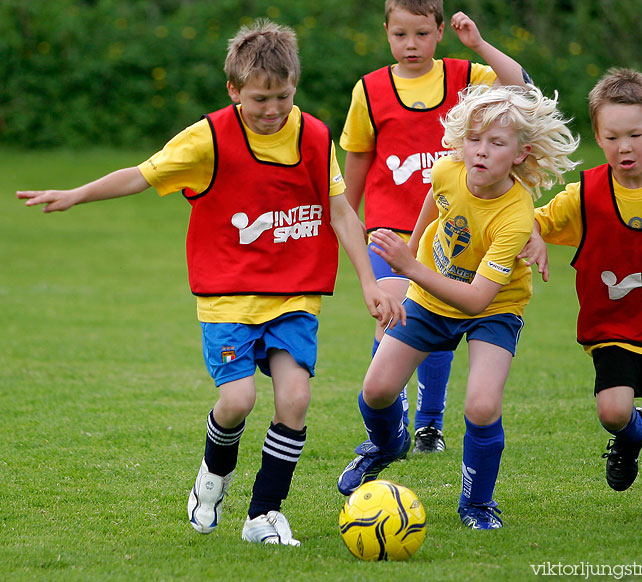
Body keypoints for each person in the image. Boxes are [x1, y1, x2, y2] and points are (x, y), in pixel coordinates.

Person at [17, 19, 404, 545]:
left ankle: (263, 515)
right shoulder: (209, 139)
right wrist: (77, 193)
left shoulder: (314, 136)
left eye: (283, 97)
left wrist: (369, 283)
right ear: (234, 91)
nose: (272, 110)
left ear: (296, 87)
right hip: (227, 299)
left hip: (294, 294)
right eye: (260, 99)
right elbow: (142, 173)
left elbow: (340, 213)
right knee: (238, 401)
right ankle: (212, 478)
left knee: (294, 400)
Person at [337, 83, 580, 530]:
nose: (480, 152)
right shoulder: (448, 168)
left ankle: (477, 505)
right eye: (473, 139)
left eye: (496, 143)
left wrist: (410, 266)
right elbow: (435, 200)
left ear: (521, 153)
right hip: (430, 297)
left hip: (494, 307)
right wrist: (411, 255)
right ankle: (387, 445)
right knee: (375, 392)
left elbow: (477, 298)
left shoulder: (516, 215)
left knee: (482, 406)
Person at [341, 0, 533, 454]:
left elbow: (524, 91)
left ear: (441, 30)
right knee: (394, 313)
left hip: (456, 226)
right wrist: (345, 223)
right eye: (401, 34)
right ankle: (393, 422)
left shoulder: (466, 77)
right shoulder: (369, 90)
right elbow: (357, 163)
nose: (411, 44)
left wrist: (480, 45)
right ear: (386, 30)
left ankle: (429, 423)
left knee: (441, 313)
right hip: (392, 228)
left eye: (422, 34)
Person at [520, 68, 642, 520]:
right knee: (614, 412)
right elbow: (530, 220)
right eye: (612, 136)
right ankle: (632, 434)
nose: (625, 147)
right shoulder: (585, 197)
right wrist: (534, 234)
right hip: (617, 327)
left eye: (636, 134)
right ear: (598, 138)